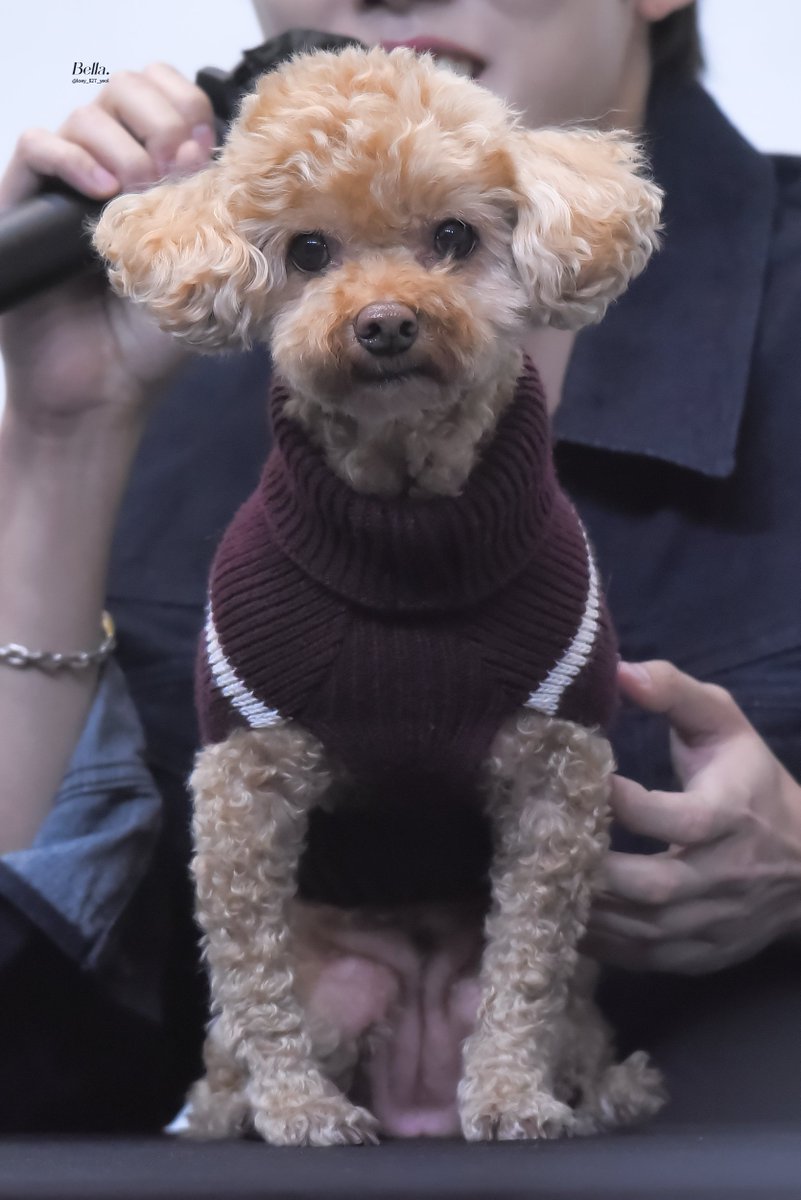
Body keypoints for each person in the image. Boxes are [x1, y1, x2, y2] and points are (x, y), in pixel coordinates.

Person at [0, 0, 800, 1133]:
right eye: (316, 251)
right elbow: (29, 1017)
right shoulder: (181, 351)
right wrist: (62, 433)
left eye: (451, 239)